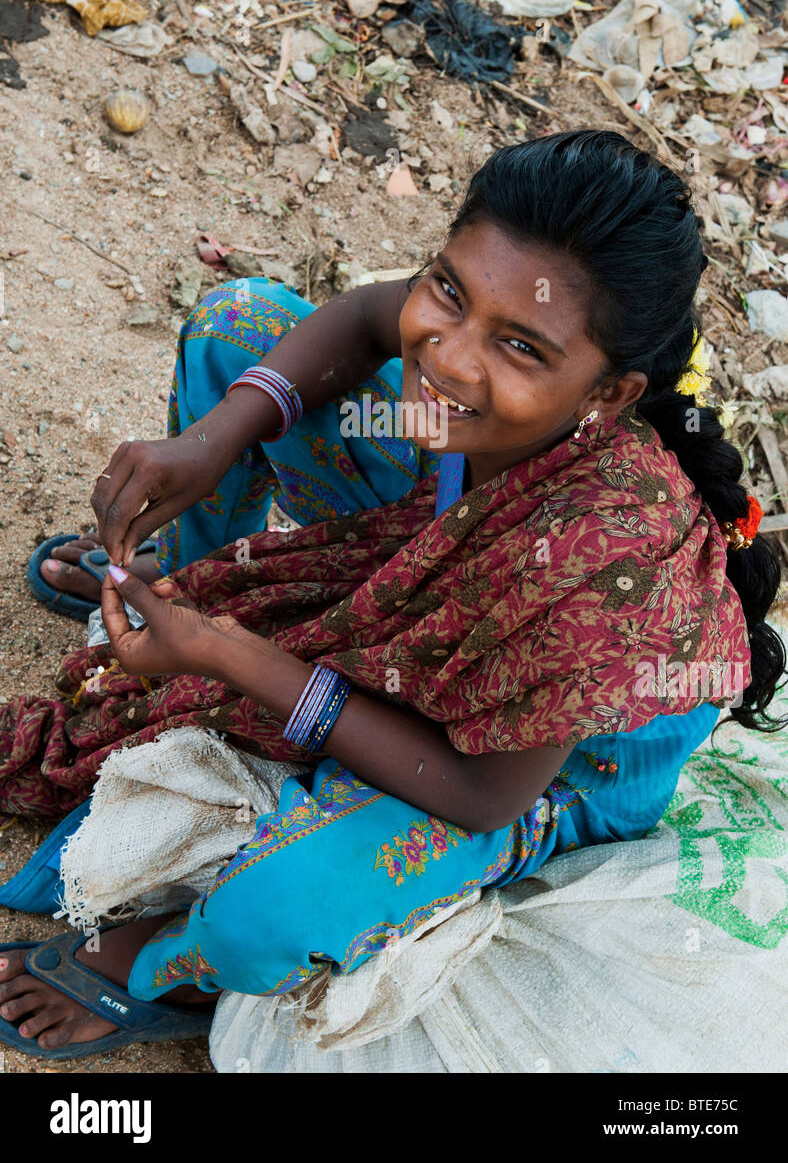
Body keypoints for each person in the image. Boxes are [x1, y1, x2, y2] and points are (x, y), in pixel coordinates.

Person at [0, 129, 783, 1061]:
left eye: (520, 346)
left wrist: (229, 653)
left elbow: (475, 791)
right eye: (450, 289)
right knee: (239, 329)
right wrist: (209, 446)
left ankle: (168, 967)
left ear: (608, 397)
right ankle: (182, 578)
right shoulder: (466, 406)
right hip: (433, 524)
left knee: (277, 905)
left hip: (534, 765)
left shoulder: (597, 568)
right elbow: (377, 317)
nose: (446, 358)